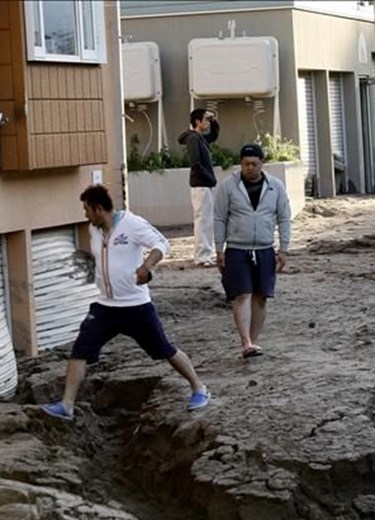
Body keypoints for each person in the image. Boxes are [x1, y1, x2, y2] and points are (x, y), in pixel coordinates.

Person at [41, 186, 210, 421]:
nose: (85, 215)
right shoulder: (95, 230)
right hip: (104, 307)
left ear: (98, 208)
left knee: (164, 349)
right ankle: (66, 405)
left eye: (86, 209)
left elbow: (162, 244)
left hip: (136, 306)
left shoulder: (132, 223)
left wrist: (146, 266)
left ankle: (199, 388)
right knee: (80, 350)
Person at [214, 143, 291, 359]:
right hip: (237, 248)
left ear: (262, 163)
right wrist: (219, 248)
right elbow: (219, 217)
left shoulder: (275, 186)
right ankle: (246, 342)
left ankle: (253, 341)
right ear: (240, 164)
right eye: (245, 163)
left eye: (254, 164)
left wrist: (284, 248)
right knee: (242, 295)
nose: (249, 168)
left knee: (261, 296)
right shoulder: (228, 186)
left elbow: (284, 218)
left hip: (265, 248)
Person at [178, 108, 220, 267]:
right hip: (201, 184)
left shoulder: (199, 138)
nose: (208, 123)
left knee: (206, 220)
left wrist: (214, 119)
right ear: (197, 122)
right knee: (203, 220)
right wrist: (210, 178)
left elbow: (214, 135)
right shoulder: (194, 139)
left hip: (204, 184)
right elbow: (195, 163)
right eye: (206, 120)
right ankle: (202, 257)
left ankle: (205, 254)